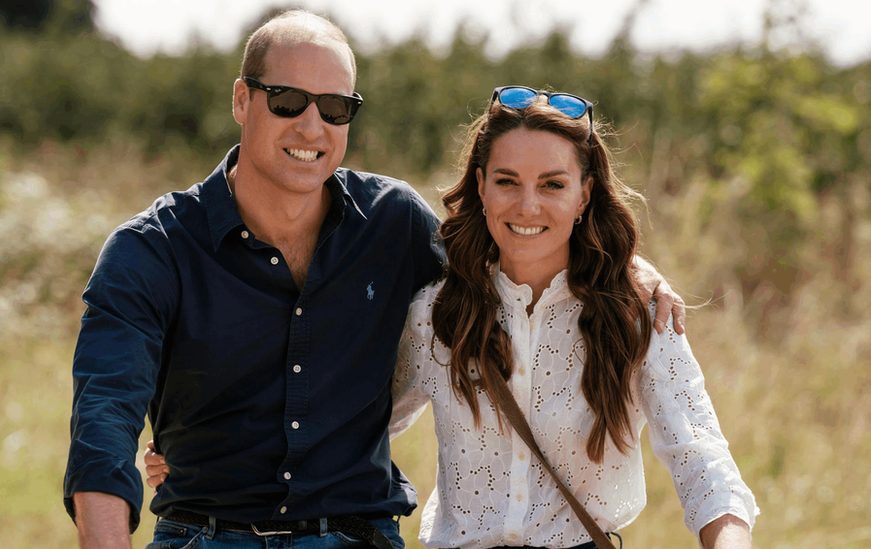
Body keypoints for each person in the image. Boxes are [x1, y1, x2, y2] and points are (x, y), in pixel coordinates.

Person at [70, 9, 684, 549]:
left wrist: (626, 265)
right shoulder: (150, 252)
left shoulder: (391, 225)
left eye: (335, 108)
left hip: (356, 535)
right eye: (287, 100)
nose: (312, 127)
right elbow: (103, 419)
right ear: (241, 100)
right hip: (204, 536)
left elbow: (515, 249)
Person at [385, 87, 757, 548]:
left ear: (585, 195)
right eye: (507, 181)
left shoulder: (635, 314)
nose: (527, 205)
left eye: (552, 184)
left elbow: (701, 458)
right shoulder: (435, 312)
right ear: (481, 186)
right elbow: (362, 427)